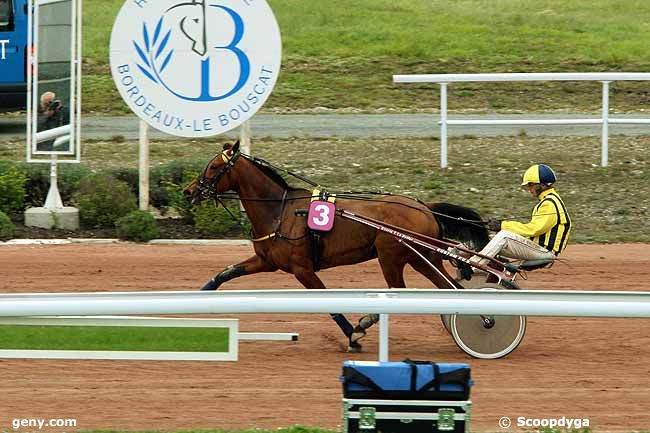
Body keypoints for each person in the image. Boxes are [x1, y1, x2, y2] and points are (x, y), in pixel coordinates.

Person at [469, 163, 571, 267]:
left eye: (531, 185)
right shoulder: (549, 200)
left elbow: (533, 229)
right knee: (484, 238)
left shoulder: (549, 203)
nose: (529, 189)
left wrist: (502, 226)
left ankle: (473, 265)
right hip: (536, 248)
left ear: (543, 185)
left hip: (544, 252)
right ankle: (455, 253)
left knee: (504, 236)